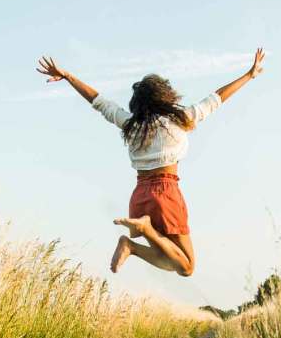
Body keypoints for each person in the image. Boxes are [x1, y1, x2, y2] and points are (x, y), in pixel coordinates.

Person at [36, 48, 265, 276]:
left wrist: (68, 76)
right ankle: (143, 231)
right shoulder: (180, 119)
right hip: (166, 193)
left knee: (170, 260)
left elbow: (98, 101)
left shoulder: (131, 125)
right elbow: (217, 98)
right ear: (165, 96)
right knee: (186, 267)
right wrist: (249, 75)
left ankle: (132, 246)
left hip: (140, 196)